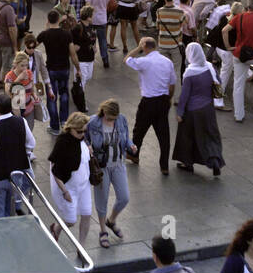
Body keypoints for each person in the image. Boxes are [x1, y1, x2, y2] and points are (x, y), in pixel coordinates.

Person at [124, 36, 176, 176]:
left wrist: (138, 48)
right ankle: (164, 166)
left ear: (145, 47)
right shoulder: (167, 62)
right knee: (164, 135)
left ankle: (134, 155)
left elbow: (127, 59)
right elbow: (172, 84)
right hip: (163, 100)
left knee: (139, 131)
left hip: (148, 102)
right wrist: (169, 99)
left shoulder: (144, 61)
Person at [88, 99, 135, 249]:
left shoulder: (121, 119)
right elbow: (83, 137)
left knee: (124, 197)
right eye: (109, 118)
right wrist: (87, 146)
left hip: (118, 163)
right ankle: (103, 231)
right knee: (101, 199)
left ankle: (112, 220)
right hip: (101, 166)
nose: (111, 121)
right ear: (104, 112)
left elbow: (126, 138)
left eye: (114, 119)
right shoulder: (93, 122)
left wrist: (131, 145)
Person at [173, 42, 224, 177]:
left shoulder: (190, 73)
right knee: (210, 136)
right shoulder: (210, 67)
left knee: (187, 137)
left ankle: (187, 163)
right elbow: (218, 82)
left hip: (192, 111)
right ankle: (215, 161)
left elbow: (184, 95)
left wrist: (180, 112)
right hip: (208, 109)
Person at [48, 112, 93, 247]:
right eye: (79, 131)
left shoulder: (82, 139)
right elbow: (55, 171)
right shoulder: (63, 142)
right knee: (70, 220)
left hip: (84, 184)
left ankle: (81, 246)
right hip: (68, 186)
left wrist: (88, 149)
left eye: (84, 131)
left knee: (87, 214)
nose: (82, 134)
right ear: (71, 128)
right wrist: (65, 191)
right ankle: (56, 228)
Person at [37, 9, 76, 132]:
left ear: (48, 20)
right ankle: (64, 121)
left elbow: (32, 45)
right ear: (59, 20)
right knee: (64, 94)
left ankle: (54, 126)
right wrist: (78, 68)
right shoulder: (67, 34)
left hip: (51, 69)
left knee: (51, 97)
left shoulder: (44, 34)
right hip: (64, 68)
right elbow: (73, 53)